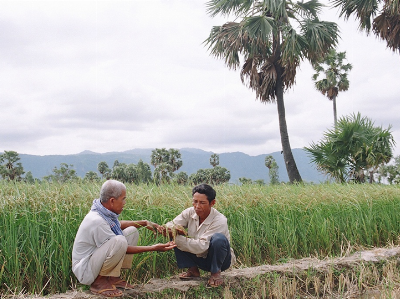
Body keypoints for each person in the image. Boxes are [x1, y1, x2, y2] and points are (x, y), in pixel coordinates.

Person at [72, 180, 175, 297]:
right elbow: (123, 247)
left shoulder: (103, 212)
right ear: (112, 201)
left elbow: (118, 224)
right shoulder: (97, 220)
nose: (125, 203)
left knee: (132, 231)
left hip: (93, 261)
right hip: (85, 270)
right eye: (123, 199)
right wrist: (154, 248)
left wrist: (145, 223)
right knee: (120, 241)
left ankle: (113, 278)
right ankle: (99, 282)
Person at [158, 183, 235, 287]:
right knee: (172, 233)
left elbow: (201, 247)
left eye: (202, 203)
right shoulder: (189, 212)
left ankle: (216, 272)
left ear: (212, 203)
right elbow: (171, 224)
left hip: (220, 260)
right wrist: (174, 229)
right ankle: (193, 269)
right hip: (199, 257)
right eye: (195, 202)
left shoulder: (219, 220)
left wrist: (177, 238)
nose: (197, 206)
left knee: (219, 239)